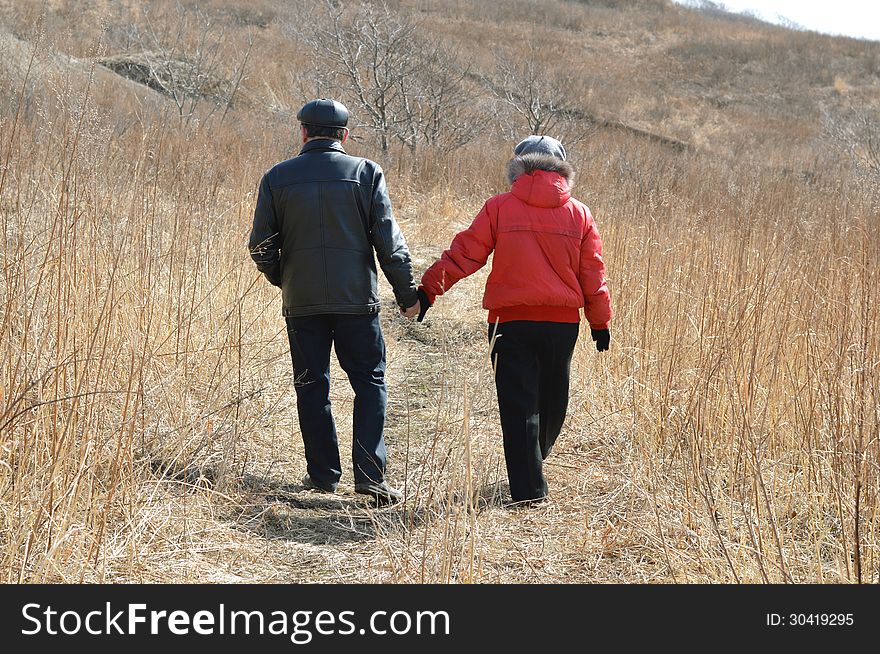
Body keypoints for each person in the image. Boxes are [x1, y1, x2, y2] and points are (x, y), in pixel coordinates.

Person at [418, 135, 612, 504]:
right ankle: (532, 474)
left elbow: (464, 255)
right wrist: (599, 322)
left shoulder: (499, 207)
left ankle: (527, 481)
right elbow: (594, 274)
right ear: (561, 169)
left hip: (509, 324)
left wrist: (428, 291)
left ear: (518, 168)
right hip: (562, 325)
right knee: (554, 400)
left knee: (519, 405)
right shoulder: (580, 213)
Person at [248, 98, 421, 505]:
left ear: (303, 132)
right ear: (344, 135)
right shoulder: (365, 173)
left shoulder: (276, 177)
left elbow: (261, 246)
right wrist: (407, 294)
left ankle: (323, 475)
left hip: (302, 301)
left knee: (312, 386)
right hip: (356, 302)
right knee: (369, 381)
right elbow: (388, 242)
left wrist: (284, 277)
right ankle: (371, 479)